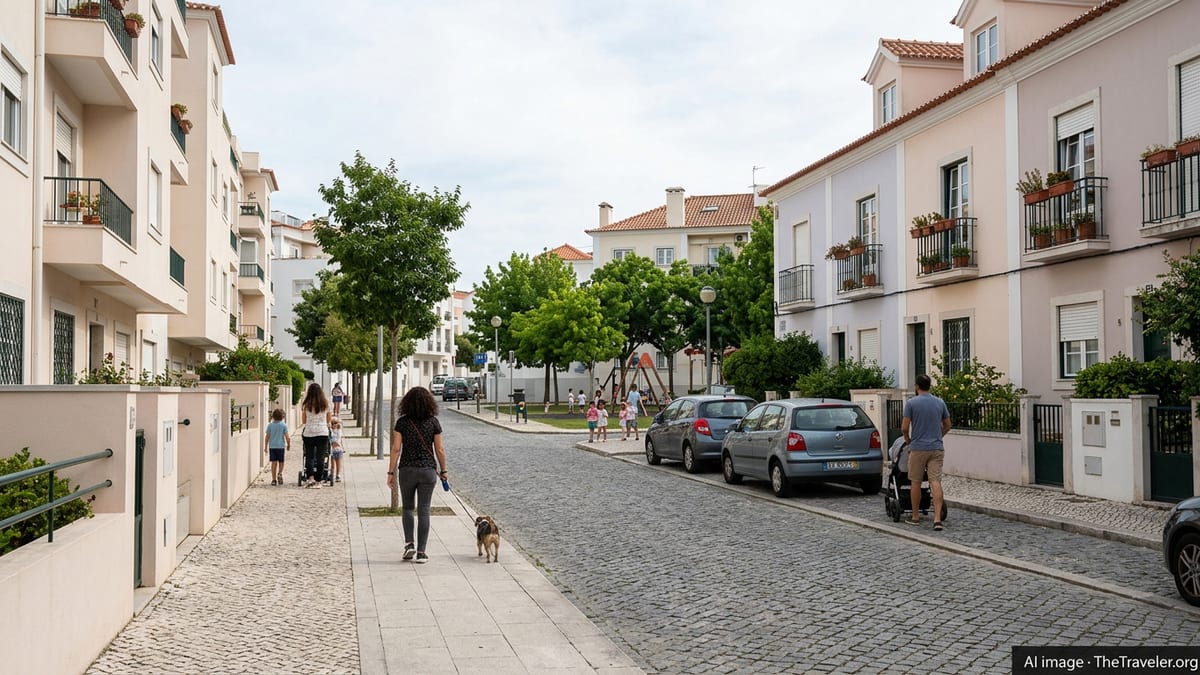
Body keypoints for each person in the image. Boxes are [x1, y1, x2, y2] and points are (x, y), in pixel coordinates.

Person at [386, 387, 448, 564]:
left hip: (407, 470)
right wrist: (444, 471)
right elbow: (440, 450)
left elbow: (396, 449)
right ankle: (421, 552)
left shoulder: (402, 423)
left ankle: (409, 544)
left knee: (407, 508)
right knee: (424, 510)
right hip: (428, 471)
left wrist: (390, 472)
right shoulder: (434, 423)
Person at [901, 374, 952, 531]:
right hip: (936, 448)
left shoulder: (911, 403)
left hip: (918, 448)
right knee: (935, 481)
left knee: (915, 482)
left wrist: (908, 439)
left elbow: (904, 427)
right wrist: (939, 436)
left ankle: (915, 517)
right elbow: (948, 424)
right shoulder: (940, 402)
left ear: (917, 386)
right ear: (930, 385)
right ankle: (937, 520)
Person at [300, 383, 332, 488]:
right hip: (322, 432)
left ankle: (310, 478)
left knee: (309, 457)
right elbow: (328, 420)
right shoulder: (326, 404)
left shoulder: (306, 404)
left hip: (309, 432)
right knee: (321, 457)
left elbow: (304, 420)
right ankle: (319, 480)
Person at [263, 408, 290, 486]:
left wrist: (265, 447)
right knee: (281, 461)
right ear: (282, 416)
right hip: (281, 447)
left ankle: (274, 479)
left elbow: (267, 437)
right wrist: (288, 445)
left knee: (273, 463)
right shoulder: (284, 425)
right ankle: (280, 473)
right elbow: (287, 437)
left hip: (272, 447)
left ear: (273, 416)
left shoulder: (270, 425)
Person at [329, 418, 344, 483]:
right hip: (332, 449)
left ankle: (338, 475)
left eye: (336, 423)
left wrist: (342, 447)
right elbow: (331, 439)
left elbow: (340, 439)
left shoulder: (339, 430)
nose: (335, 424)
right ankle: (332, 474)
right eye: (334, 423)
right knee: (332, 463)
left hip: (339, 449)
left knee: (338, 463)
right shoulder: (330, 431)